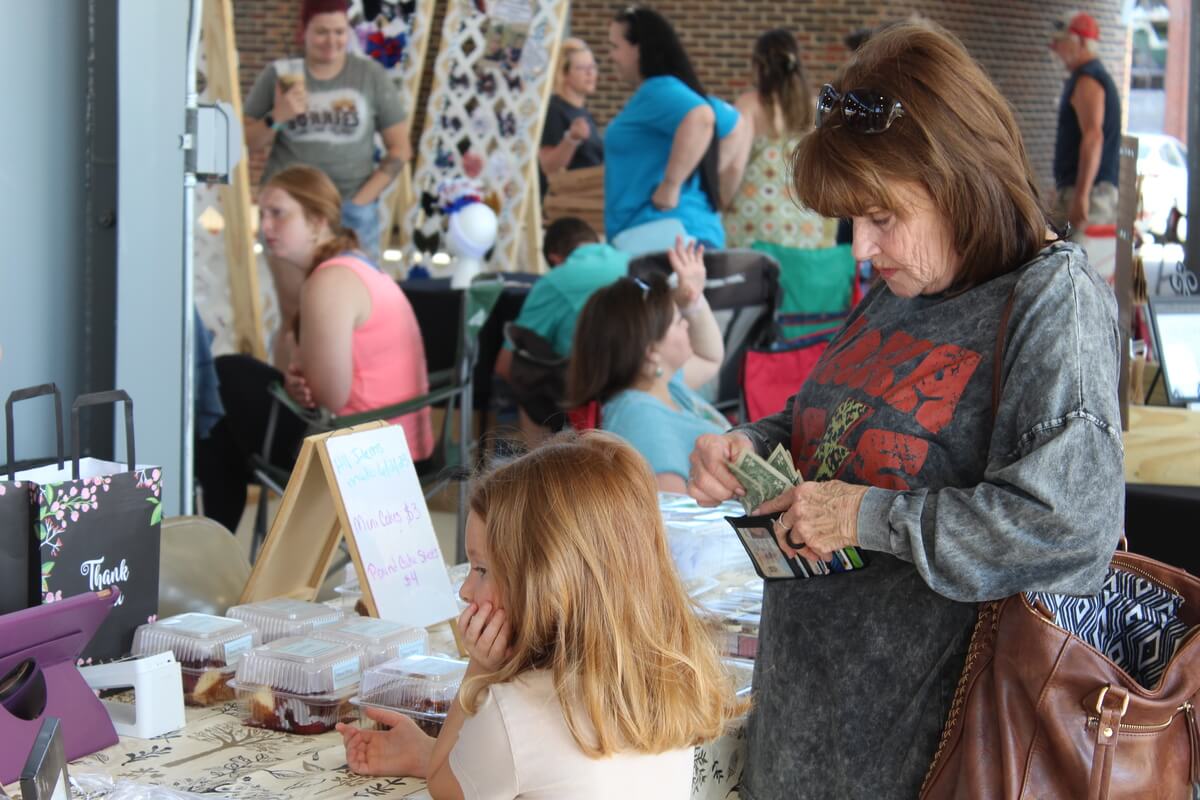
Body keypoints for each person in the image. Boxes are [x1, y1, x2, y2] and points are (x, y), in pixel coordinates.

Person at [687, 21, 1123, 798]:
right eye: (852, 221)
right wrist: (751, 442)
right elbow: (846, 426)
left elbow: (1067, 529)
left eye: (881, 218)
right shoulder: (906, 282)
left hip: (936, 757)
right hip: (809, 731)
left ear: (961, 179)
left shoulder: (1050, 300)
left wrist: (867, 519)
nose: (861, 249)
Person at [336, 431, 744, 799]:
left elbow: (444, 786)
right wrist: (430, 752)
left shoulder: (513, 712)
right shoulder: (669, 683)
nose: (464, 590)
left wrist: (479, 670)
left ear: (545, 582)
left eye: (481, 570)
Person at [195, 165, 433, 533]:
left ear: (317, 221)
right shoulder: (353, 267)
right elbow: (302, 377)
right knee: (224, 423)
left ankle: (212, 540)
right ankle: (214, 540)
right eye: (263, 214)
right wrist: (297, 375)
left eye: (279, 213)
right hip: (395, 443)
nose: (265, 226)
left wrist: (301, 371)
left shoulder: (331, 281)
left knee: (224, 378)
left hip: (365, 455)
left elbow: (329, 396)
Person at [244, 0, 411, 365]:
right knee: (296, 315)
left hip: (351, 210)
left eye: (339, 31)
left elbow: (400, 148)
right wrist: (277, 116)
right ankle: (292, 399)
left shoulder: (368, 76)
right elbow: (246, 140)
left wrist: (364, 200)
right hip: (290, 213)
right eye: (321, 31)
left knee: (354, 314)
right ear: (304, 32)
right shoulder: (281, 75)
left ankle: (347, 403)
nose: (330, 40)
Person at [567, 238, 726, 492]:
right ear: (651, 350)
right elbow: (672, 515)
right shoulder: (640, 418)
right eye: (678, 320)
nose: (687, 323)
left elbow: (710, 357)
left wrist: (693, 302)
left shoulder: (662, 386)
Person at [604, 5, 750, 248]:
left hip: (661, 238)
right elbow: (736, 125)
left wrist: (671, 185)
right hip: (689, 234)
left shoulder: (659, 90)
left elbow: (701, 118)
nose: (610, 56)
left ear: (638, 48)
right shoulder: (676, 92)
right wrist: (707, 175)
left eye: (615, 46)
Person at [495, 217, 628, 442]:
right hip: (651, 378)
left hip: (597, 393)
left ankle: (541, 473)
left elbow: (506, 364)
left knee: (525, 384)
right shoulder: (632, 259)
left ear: (555, 259)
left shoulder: (556, 281)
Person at [724, 29, 836, 250]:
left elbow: (735, 163)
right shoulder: (814, 107)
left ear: (759, 65)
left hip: (753, 218)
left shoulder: (750, 104)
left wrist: (721, 201)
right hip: (804, 220)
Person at [1049, 11, 1121, 239]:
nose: (1055, 47)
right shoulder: (1086, 76)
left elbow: (1093, 137)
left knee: (1076, 267)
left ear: (1079, 42)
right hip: (1082, 189)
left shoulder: (1088, 79)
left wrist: (1081, 195)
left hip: (1091, 194)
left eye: (1062, 41)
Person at [538, 38, 604, 197]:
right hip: (565, 204)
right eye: (582, 68)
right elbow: (548, 166)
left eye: (593, 67)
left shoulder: (583, 112)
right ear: (564, 74)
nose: (590, 73)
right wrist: (571, 140)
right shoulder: (554, 110)